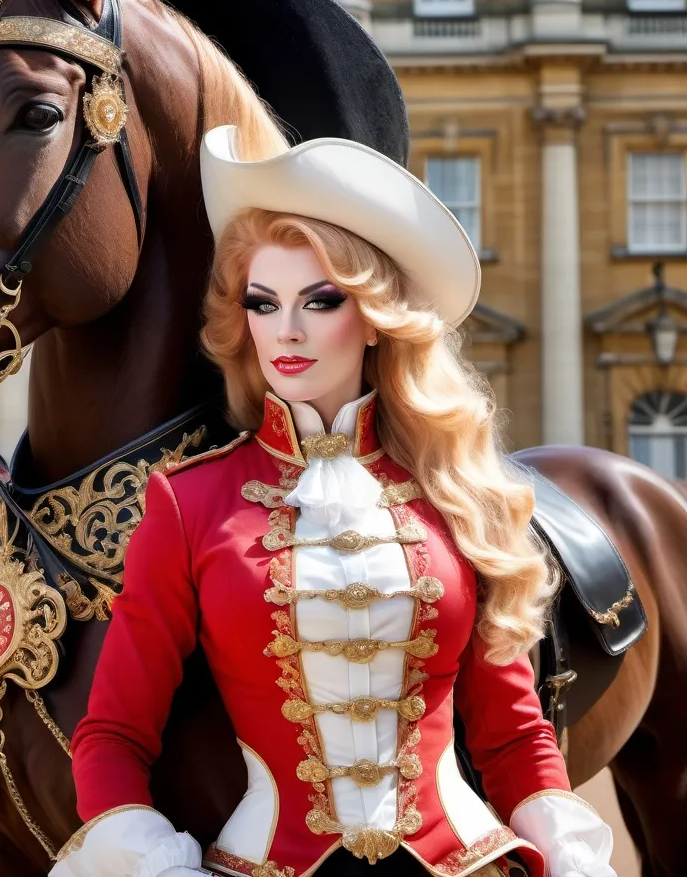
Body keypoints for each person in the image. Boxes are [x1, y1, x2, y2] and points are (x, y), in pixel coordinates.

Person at [53, 127, 615, 877]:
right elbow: (112, 734)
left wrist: (571, 856)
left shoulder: (457, 492)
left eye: (320, 300)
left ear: (376, 316)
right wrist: (155, 865)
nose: (285, 330)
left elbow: (514, 738)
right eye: (263, 302)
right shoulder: (188, 503)